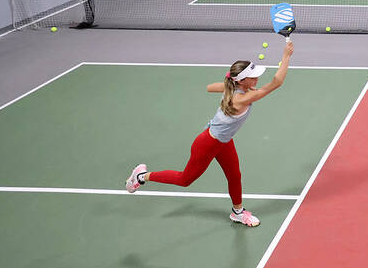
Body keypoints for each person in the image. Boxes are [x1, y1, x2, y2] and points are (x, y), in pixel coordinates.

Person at [125, 40, 296, 226]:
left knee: (234, 175)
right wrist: (286, 56)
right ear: (240, 80)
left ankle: (237, 212)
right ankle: (141, 176)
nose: (257, 80)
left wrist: (241, 86)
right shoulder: (243, 98)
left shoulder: (234, 88)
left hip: (224, 142)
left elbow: (210, 87)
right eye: (253, 77)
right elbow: (276, 82)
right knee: (185, 180)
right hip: (207, 143)